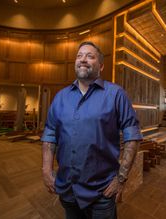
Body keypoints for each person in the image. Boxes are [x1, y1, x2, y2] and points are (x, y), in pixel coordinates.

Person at [41, 41, 142, 219]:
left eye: (90, 56)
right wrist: (46, 170)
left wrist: (121, 178)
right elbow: (49, 134)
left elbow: (132, 136)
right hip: (67, 188)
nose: (83, 60)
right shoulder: (60, 97)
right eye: (79, 56)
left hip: (101, 192)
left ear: (101, 66)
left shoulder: (116, 94)